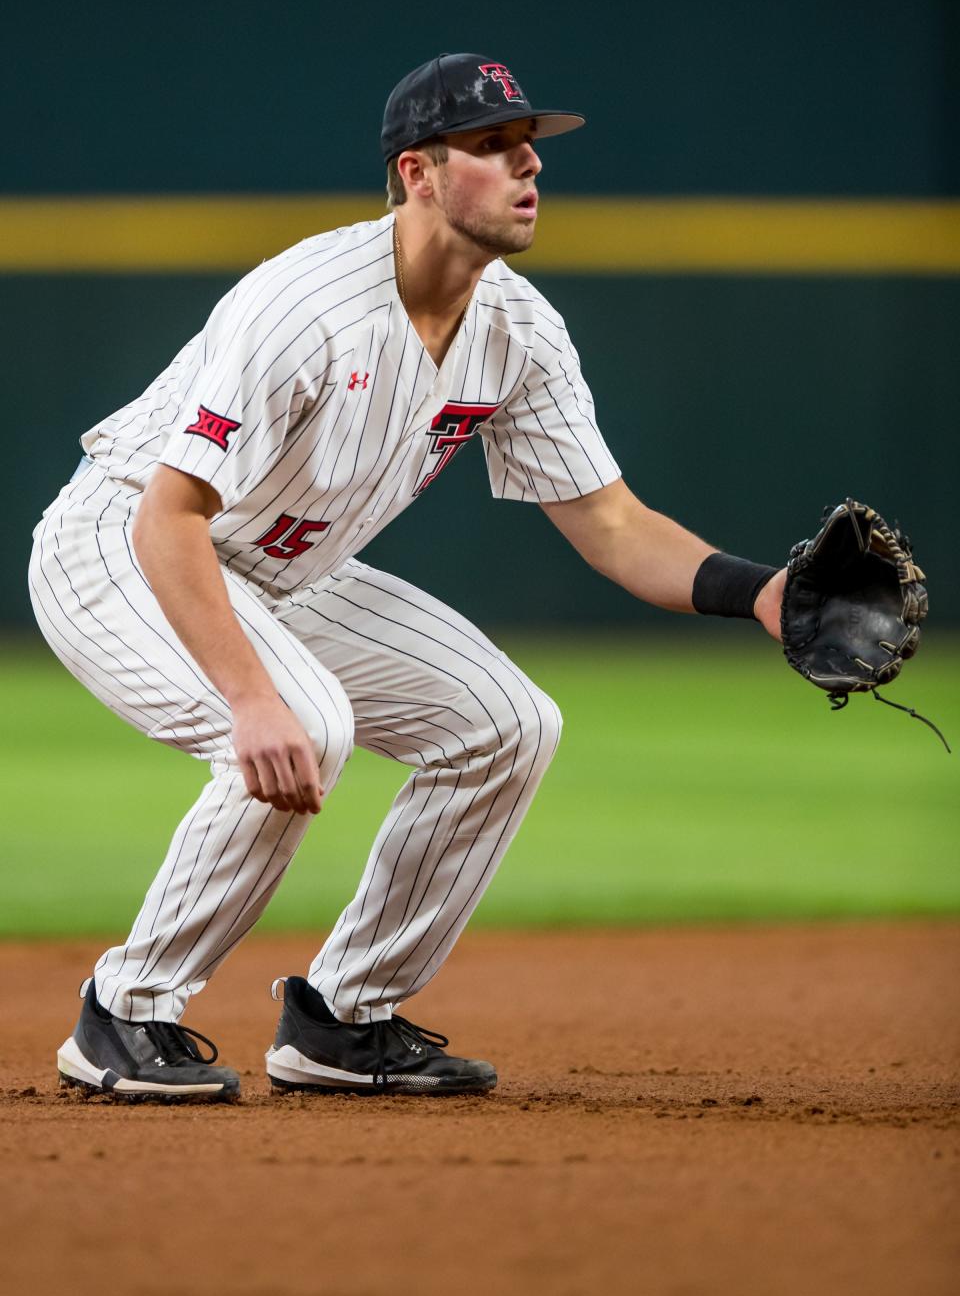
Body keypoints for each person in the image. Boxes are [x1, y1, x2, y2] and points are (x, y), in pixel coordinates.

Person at [29, 53, 785, 1100]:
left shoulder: (518, 331)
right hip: (121, 544)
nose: (527, 164)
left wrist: (757, 590)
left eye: (530, 145)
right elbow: (170, 518)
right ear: (416, 174)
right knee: (305, 718)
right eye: (491, 145)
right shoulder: (303, 305)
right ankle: (126, 1013)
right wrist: (251, 699)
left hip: (282, 568)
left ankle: (345, 1018)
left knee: (506, 723)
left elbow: (613, 525)